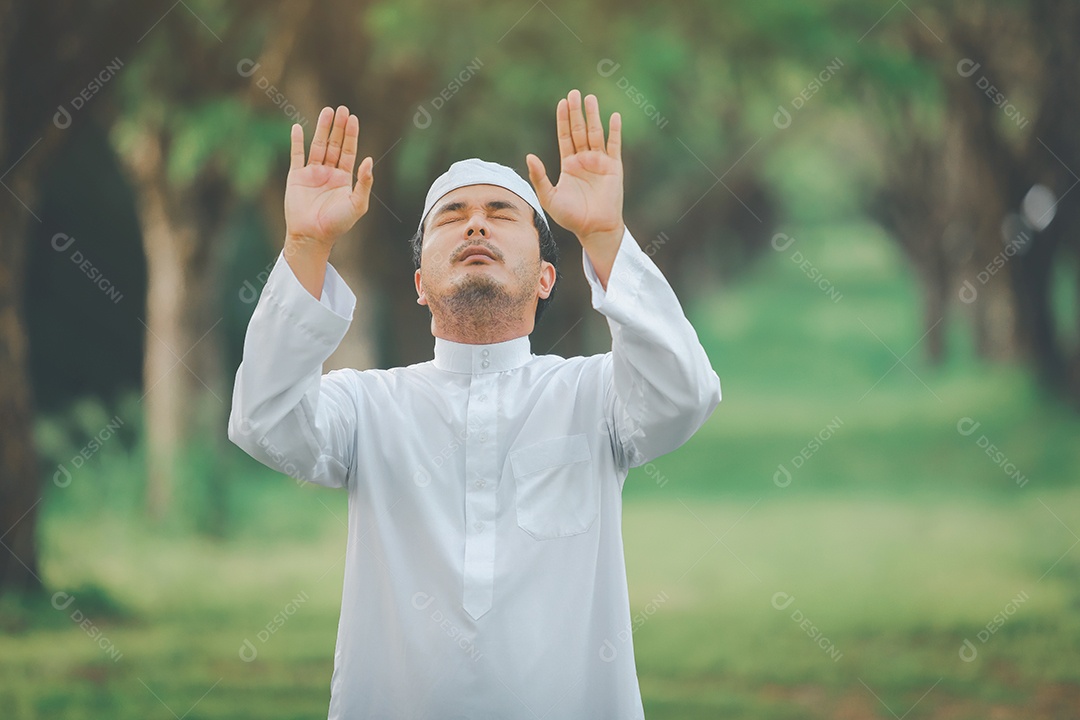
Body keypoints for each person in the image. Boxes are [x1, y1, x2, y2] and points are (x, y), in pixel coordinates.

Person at [228, 89, 721, 719]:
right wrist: (303, 245)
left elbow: (685, 395)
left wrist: (604, 235)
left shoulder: (593, 397)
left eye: (502, 214)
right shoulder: (368, 408)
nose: (476, 224)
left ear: (546, 277)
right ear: (419, 286)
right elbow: (264, 422)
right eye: (452, 215)